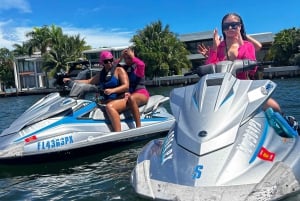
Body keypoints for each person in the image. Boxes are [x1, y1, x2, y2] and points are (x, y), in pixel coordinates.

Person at [205, 13, 282, 112]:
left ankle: (288, 122)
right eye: (226, 26)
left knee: (274, 106)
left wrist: (241, 45)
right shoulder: (218, 47)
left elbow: (252, 69)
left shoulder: (247, 45)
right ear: (222, 29)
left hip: (245, 90)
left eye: (234, 25)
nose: (230, 28)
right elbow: (209, 69)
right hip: (222, 91)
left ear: (240, 26)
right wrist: (214, 48)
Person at [64, 51, 129, 132]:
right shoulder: (101, 74)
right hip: (108, 100)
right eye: (106, 61)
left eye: (111, 60)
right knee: (91, 105)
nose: (109, 63)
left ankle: (118, 133)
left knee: (110, 107)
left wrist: (113, 90)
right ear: (102, 63)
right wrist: (71, 80)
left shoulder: (119, 70)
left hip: (122, 99)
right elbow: (88, 81)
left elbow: (126, 86)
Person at [117, 48, 150, 128]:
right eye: (125, 59)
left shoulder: (138, 67)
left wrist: (132, 56)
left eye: (128, 58)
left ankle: (138, 126)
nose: (126, 60)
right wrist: (121, 57)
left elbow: (142, 64)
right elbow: (112, 67)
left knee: (131, 98)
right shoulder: (124, 68)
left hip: (141, 93)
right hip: (129, 94)